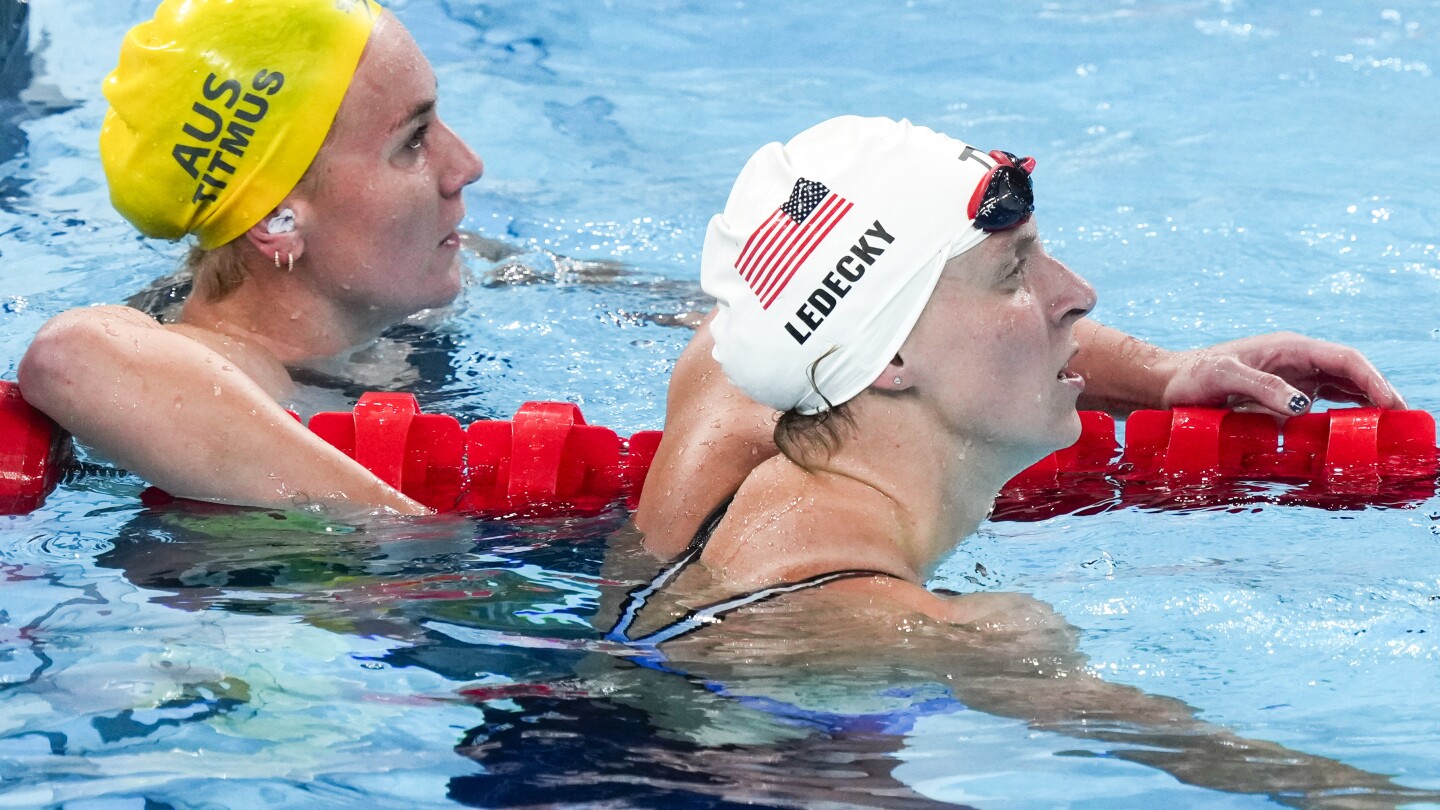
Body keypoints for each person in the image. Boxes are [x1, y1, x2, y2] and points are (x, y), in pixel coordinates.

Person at [612, 116, 1426, 804]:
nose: (1077, 292)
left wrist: (1161, 372)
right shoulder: (943, 636)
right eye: (1014, 273)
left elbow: (756, 316)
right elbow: (1269, 778)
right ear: (887, 356)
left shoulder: (724, 409)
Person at [17, 0, 483, 517]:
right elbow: (70, 357)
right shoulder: (229, 366)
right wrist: (413, 535)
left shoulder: (401, 287)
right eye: (413, 140)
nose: (467, 165)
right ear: (276, 223)